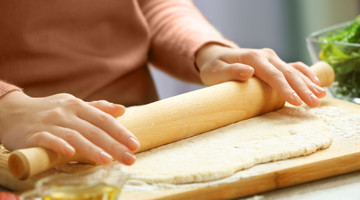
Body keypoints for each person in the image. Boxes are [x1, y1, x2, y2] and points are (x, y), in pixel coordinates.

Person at [0, 0, 326, 167]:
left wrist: (206, 49)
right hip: (20, 149)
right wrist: (7, 106)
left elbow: (150, 4)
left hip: (137, 135)